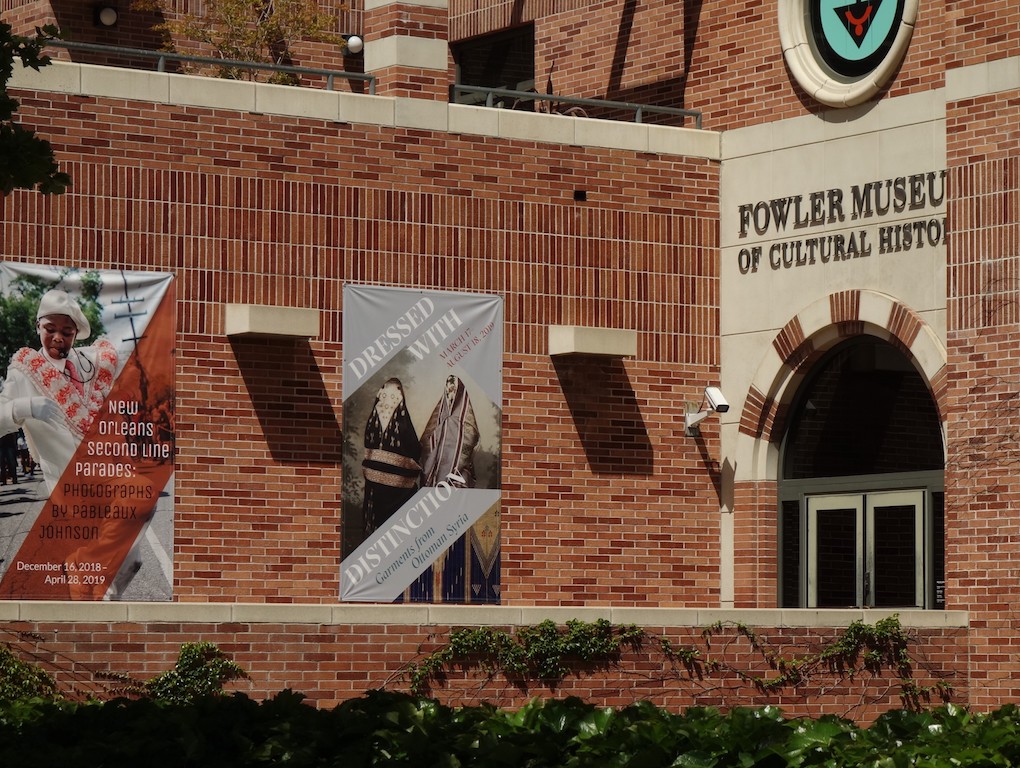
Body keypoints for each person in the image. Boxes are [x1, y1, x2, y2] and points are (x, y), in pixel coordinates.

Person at [0, 289, 118, 492]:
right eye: (49, 329)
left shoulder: (92, 361)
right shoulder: (23, 373)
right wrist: (23, 408)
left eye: (66, 332)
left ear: (76, 333)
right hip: (68, 490)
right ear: (38, 327)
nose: (57, 338)